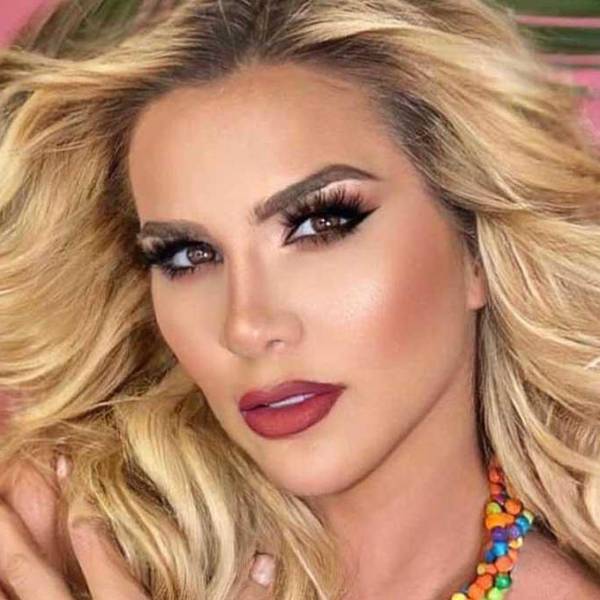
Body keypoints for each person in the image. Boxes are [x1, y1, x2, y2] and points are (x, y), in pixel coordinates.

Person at [0, 0, 599, 598]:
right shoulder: (72, 533)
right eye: (186, 255)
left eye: (320, 225)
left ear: (474, 248)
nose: (246, 326)